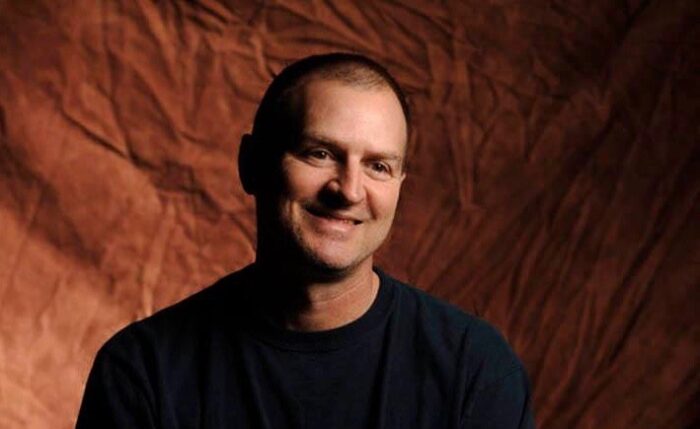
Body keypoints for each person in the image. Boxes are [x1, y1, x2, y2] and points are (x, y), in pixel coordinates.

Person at [76, 53, 536, 428]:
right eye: (320, 153)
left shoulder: (473, 370)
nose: (349, 190)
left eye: (378, 166)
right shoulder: (143, 373)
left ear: (400, 184)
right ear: (252, 165)